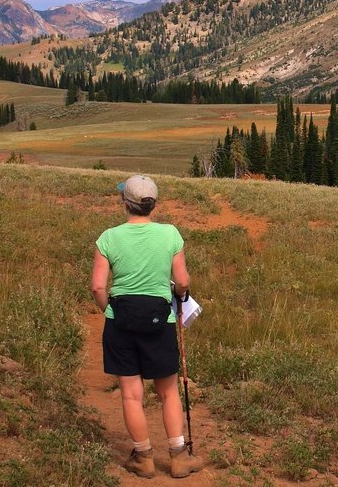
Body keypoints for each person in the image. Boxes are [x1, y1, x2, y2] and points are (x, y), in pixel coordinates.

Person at [90, 174, 203, 479]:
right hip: (160, 322)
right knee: (168, 392)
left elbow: (98, 287)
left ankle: (143, 457)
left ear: (124, 202)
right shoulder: (170, 235)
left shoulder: (108, 238)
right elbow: (182, 282)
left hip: (121, 321)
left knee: (131, 394)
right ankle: (179, 456)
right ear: (153, 205)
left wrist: (109, 311)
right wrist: (180, 296)